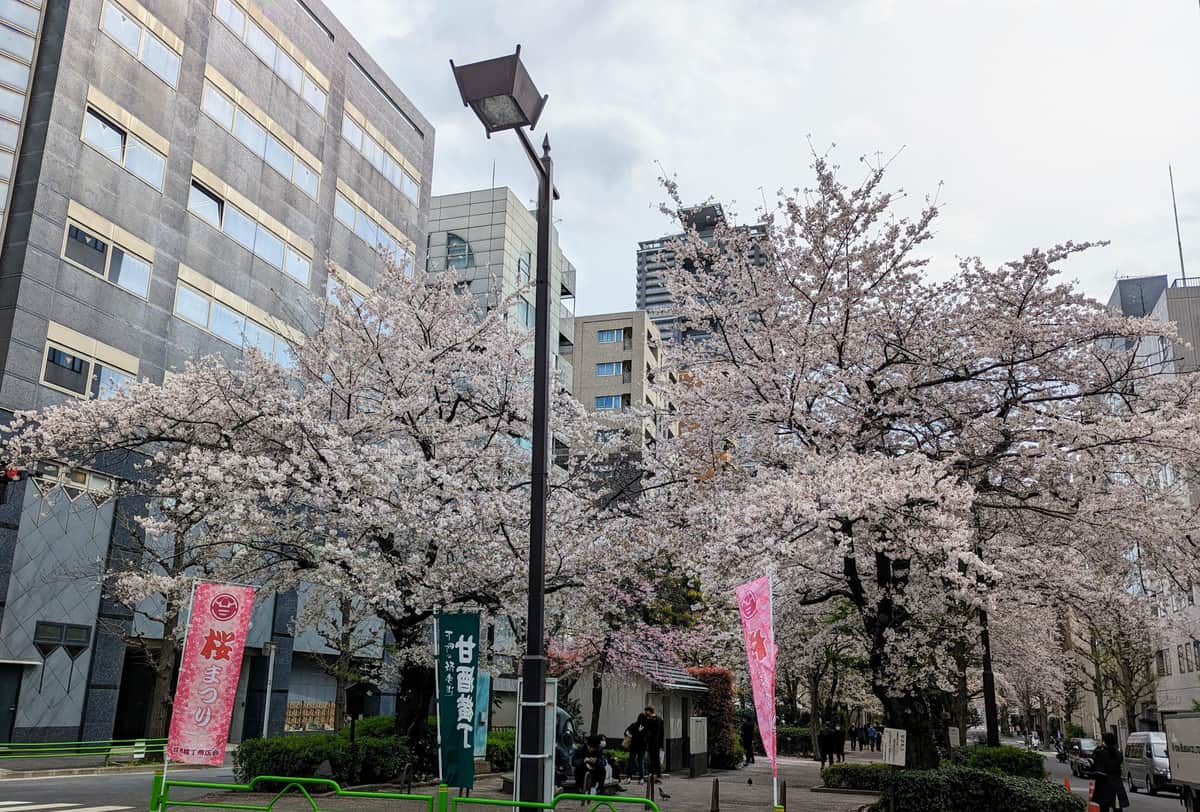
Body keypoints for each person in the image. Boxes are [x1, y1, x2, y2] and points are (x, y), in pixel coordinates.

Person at [1089, 731, 1129, 811]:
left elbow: (1093, 762)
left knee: (1104, 807)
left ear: (1104, 742)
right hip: (1116, 783)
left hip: (1104, 783)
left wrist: (1098, 747)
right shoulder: (1118, 753)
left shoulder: (1100, 753)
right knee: (1117, 807)